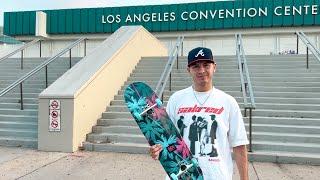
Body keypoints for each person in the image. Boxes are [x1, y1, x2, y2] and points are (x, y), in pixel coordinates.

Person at [150, 47, 249, 180]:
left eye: (206, 65)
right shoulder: (176, 99)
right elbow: (166, 137)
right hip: (181, 175)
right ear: (188, 70)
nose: (202, 70)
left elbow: (239, 145)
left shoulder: (228, 102)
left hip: (217, 176)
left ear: (214, 67)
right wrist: (157, 149)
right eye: (196, 66)